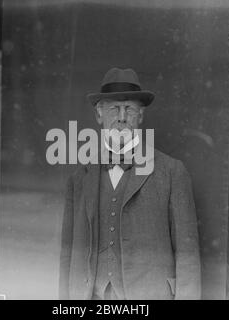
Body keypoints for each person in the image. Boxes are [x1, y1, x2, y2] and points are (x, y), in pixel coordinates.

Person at [59, 68, 201, 300]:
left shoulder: (172, 171)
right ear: (99, 115)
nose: (122, 117)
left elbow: (188, 255)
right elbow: (68, 253)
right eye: (114, 108)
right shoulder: (79, 178)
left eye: (130, 109)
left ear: (141, 116)